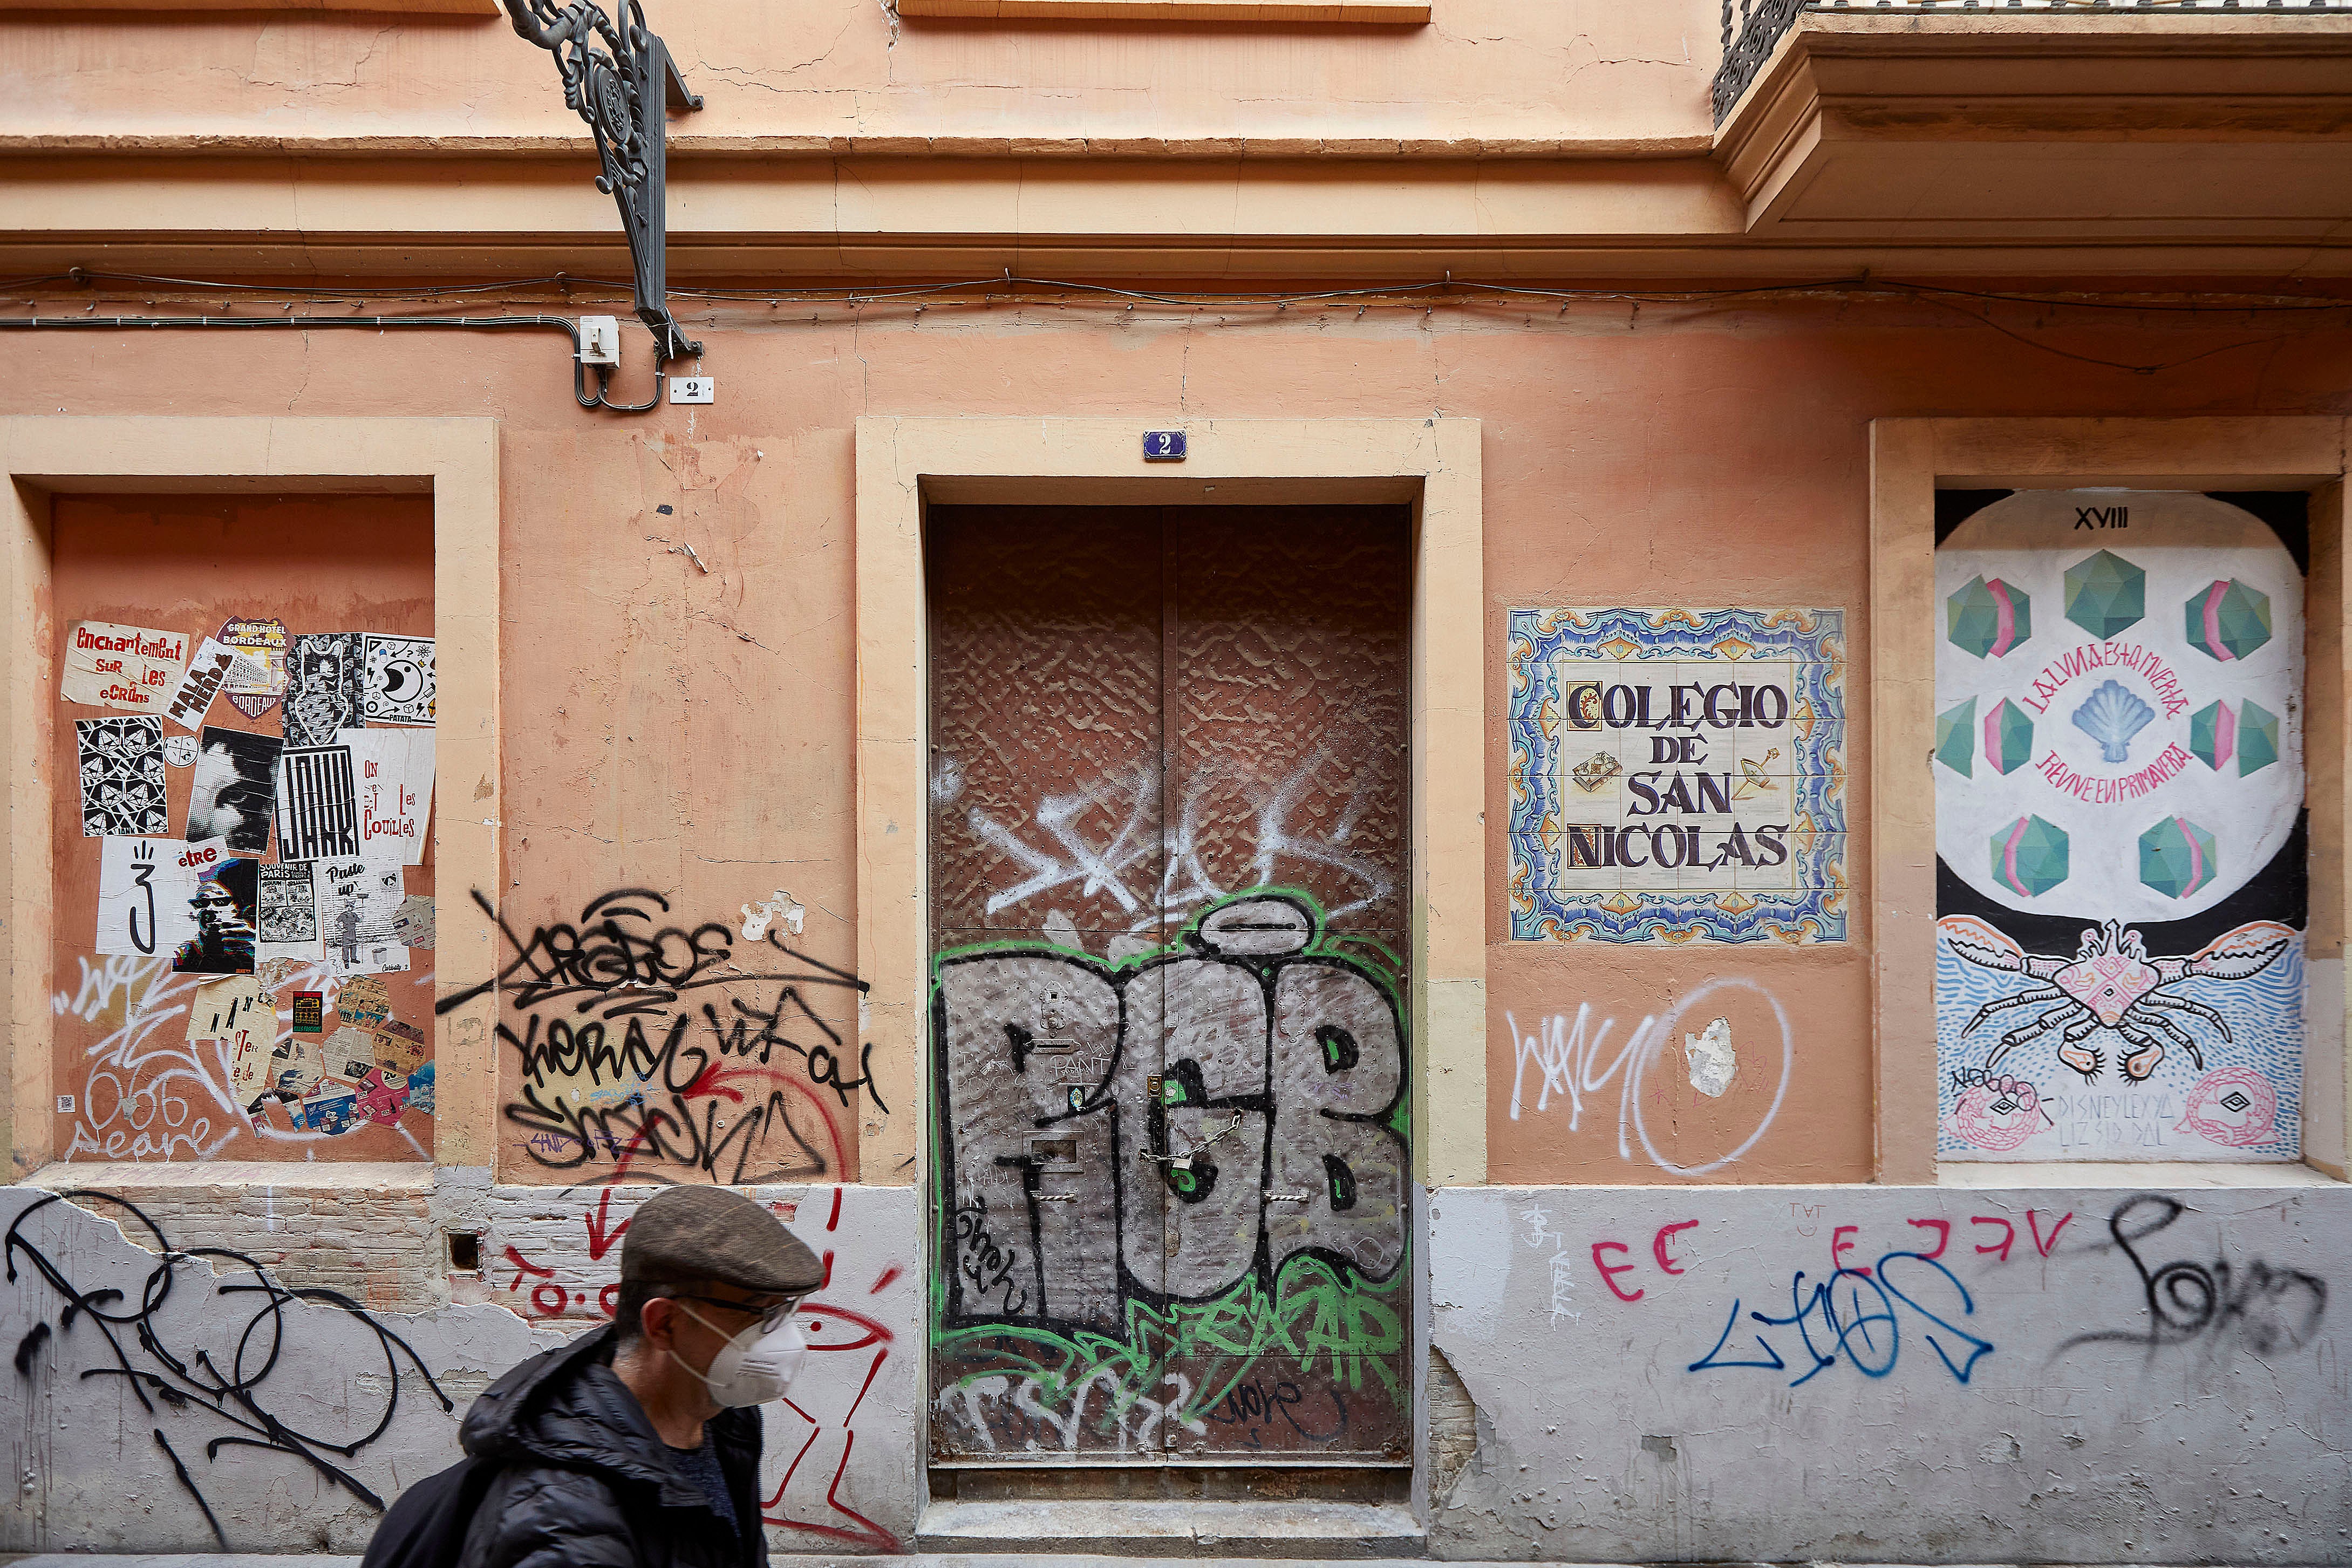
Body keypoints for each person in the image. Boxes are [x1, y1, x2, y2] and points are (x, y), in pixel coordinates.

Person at [452, 1188, 823, 1568]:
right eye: (758, 1313)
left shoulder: (725, 1420)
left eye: (784, 1311)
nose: (782, 1336)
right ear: (663, 1324)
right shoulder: (564, 1519)